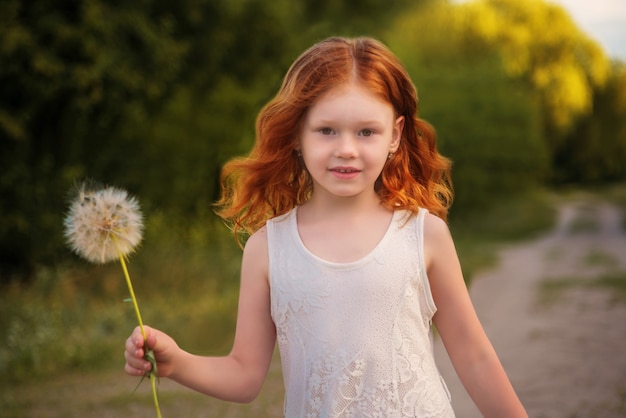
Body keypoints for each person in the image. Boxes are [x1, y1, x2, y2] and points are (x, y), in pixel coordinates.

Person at [124, 36, 527, 417]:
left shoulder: (423, 234)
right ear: (298, 134)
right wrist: (177, 363)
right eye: (326, 130)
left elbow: (474, 357)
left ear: (395, 135)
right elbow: (245, 376)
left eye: (367, 131)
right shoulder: (268, 249)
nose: (346, 149)